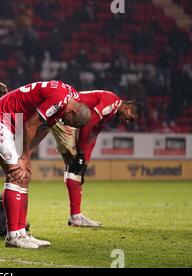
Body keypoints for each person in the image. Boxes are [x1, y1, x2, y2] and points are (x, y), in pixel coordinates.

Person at [0, 80, 91, 249]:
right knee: (16, 175)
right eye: (71, 122)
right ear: (73, 111)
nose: (68, 125)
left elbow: (45, 127)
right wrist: (24, 157)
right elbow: (30, 125)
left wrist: (29, 154)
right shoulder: (60, 99)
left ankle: (21, 233)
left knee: (23, 178)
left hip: (4, 122)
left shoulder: (69, 99)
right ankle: (13, 236)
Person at [48, 90, 142, 227]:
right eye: (130, 118)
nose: (127, 122)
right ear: (128, 108)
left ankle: (76, 216)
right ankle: (75, 216)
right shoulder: (112, 102)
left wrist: (85, 160)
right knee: (74, 168)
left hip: (67, 116)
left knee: (76, 168)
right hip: (66, 117)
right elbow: (88, 122)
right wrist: (80, 152)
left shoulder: (110, 111)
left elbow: (93, 134)